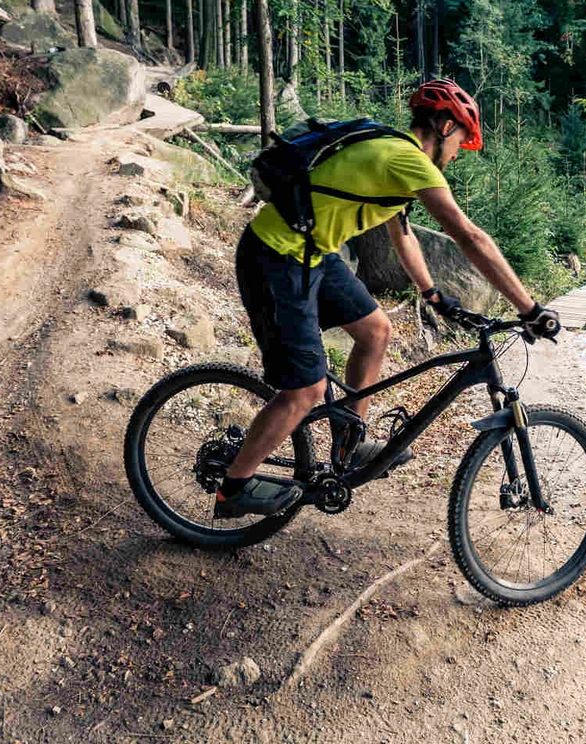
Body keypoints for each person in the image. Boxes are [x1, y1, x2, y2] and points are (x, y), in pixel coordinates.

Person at [215, 79, 561, 518]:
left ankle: (348, 443)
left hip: (311, 252)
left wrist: (431, 293)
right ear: (444, 126)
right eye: (461, 140)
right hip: (277, 255)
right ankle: (235, 487)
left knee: (376, 331)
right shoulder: (406, 159)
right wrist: (530, 309)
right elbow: (469, 236)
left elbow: (403, 233)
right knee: (306, 389)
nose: (458, 153)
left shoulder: (394, 152)